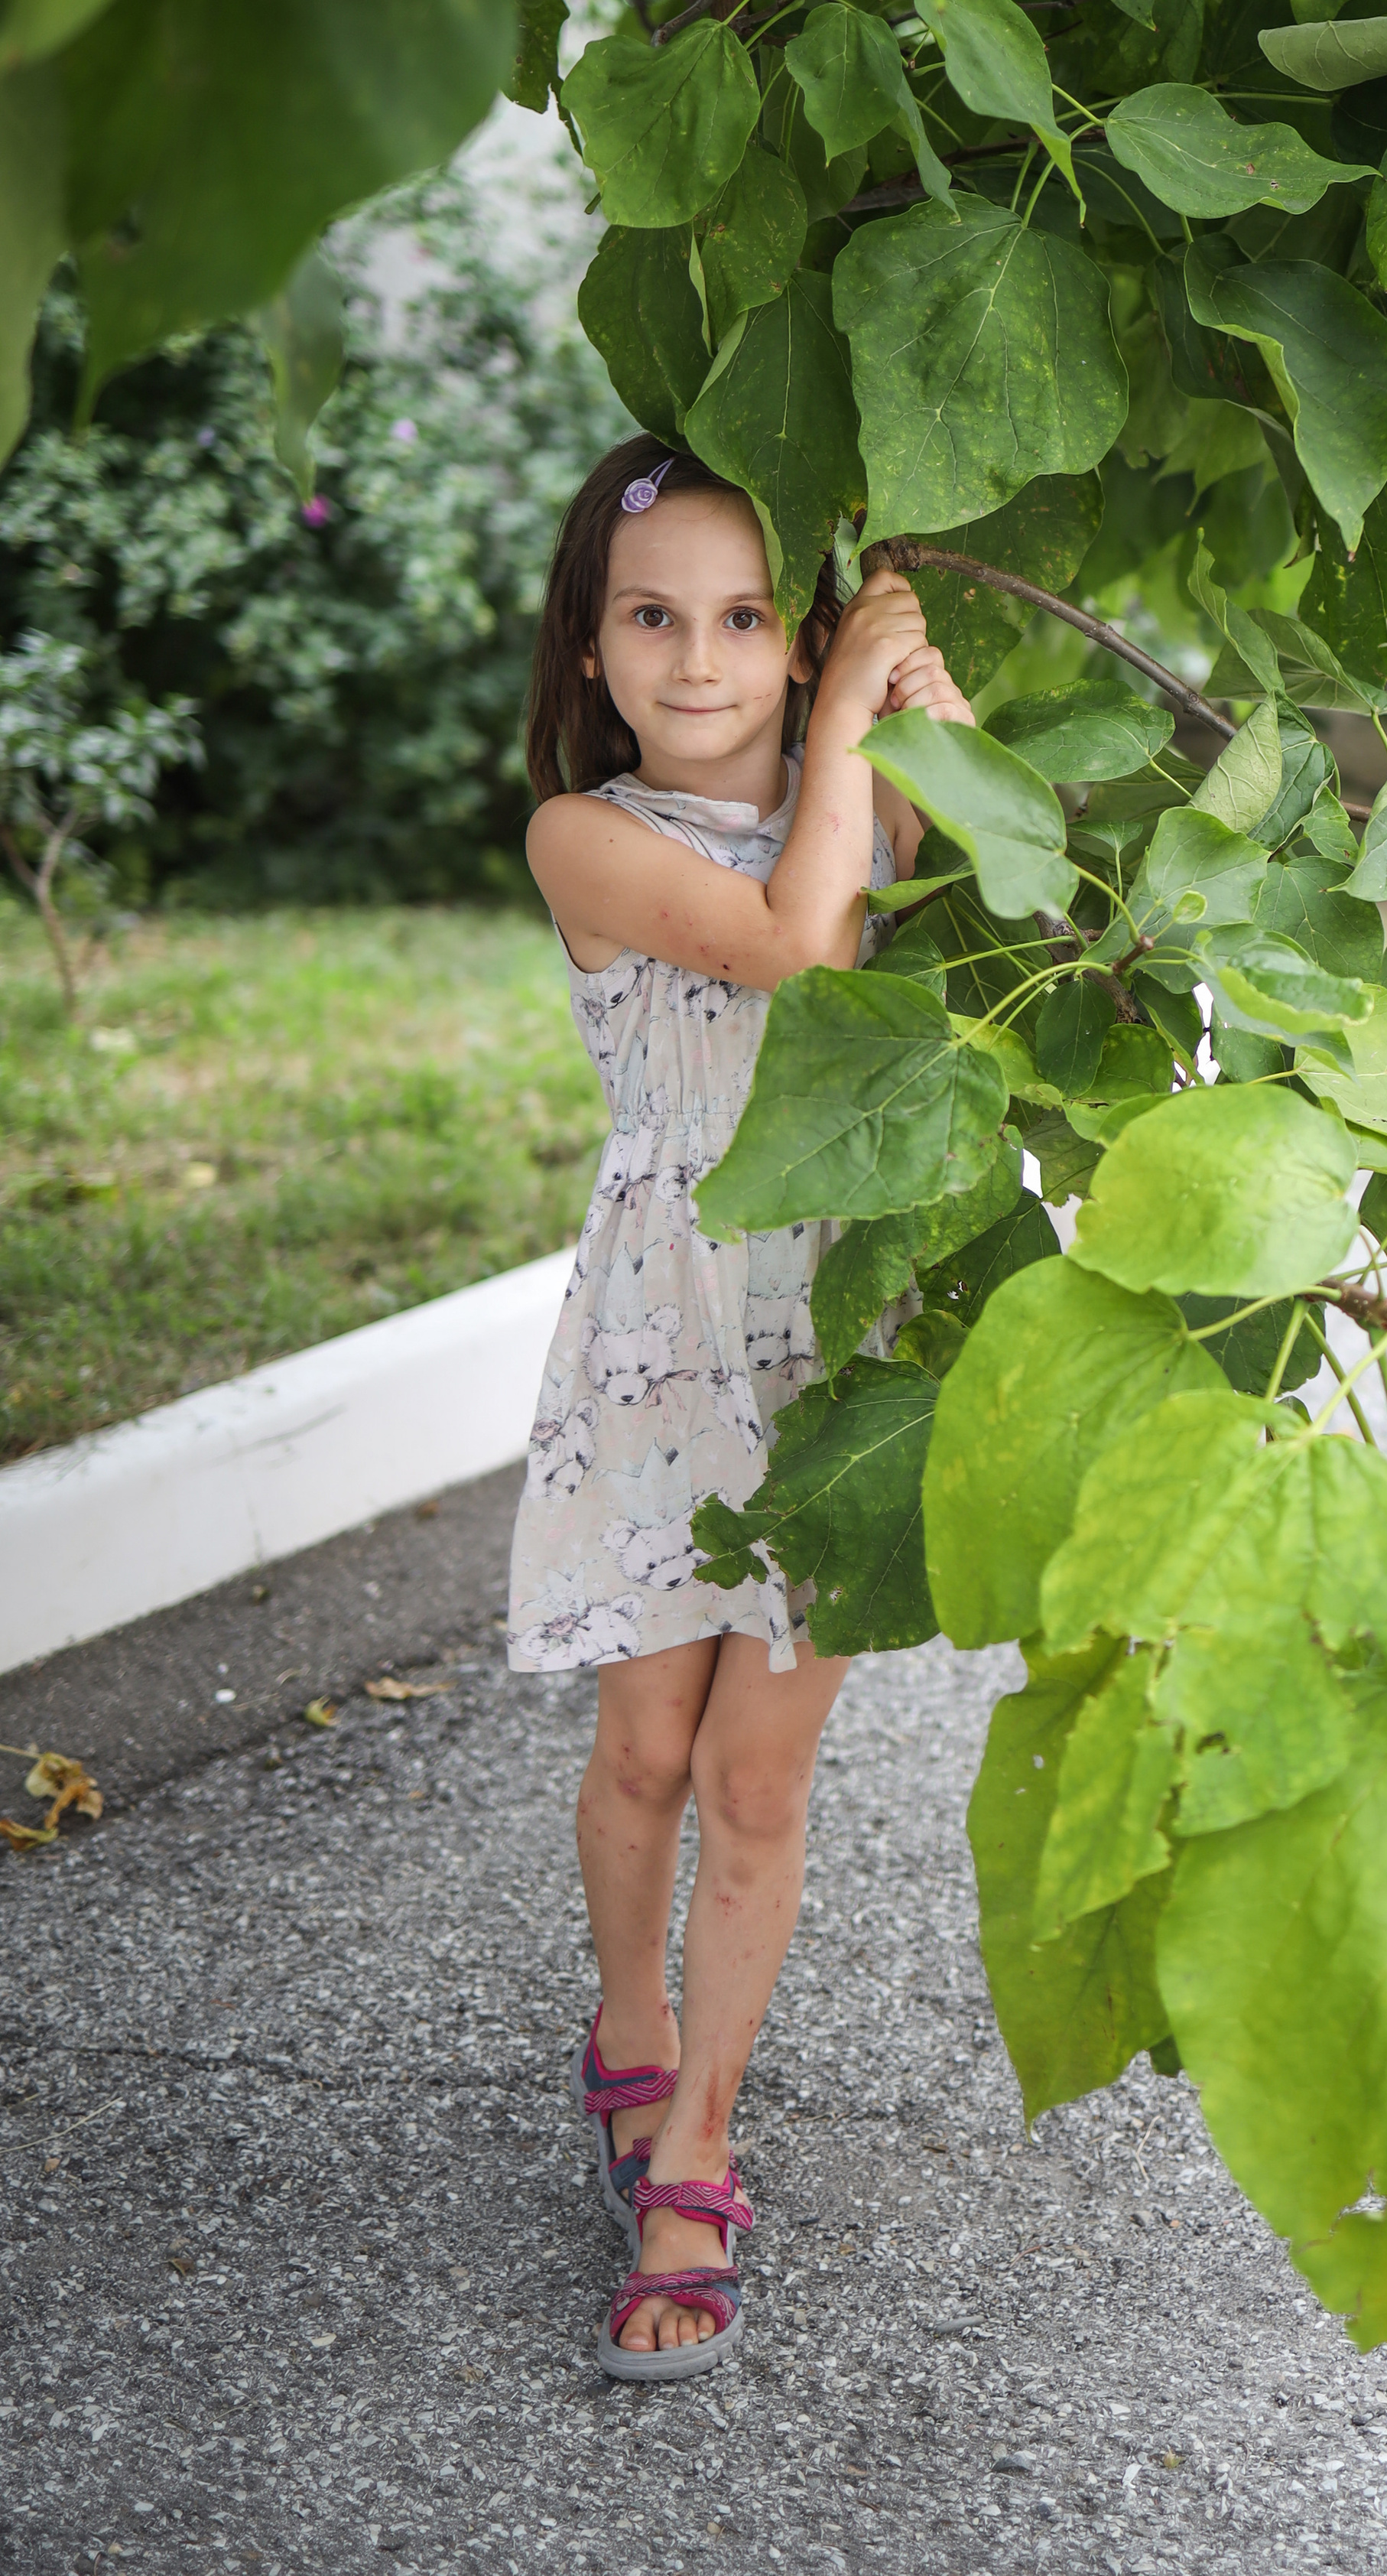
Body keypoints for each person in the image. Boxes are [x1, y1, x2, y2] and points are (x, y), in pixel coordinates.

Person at [511, 436, 970, 2379]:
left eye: (747, 617)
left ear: (792, 646)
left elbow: (936, 952)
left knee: (750, 1776)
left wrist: (935, 735)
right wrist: (860, 722)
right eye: (651, 617)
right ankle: (627, 2025)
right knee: (641, 1752)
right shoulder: (582, 838)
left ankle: (697, 2130)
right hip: (665, 1333)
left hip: (840, 1339)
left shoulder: (863, 800)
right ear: (594, 650)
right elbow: (793, 943)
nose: (697, 658)